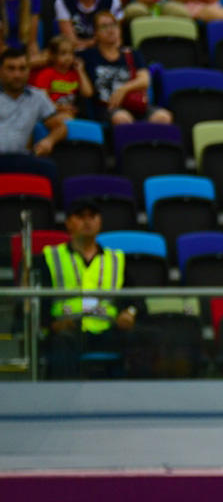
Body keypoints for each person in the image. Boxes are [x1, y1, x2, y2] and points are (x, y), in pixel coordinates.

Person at [34, 198, 140, 379]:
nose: (87, 221)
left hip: (108, 330)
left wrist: (129, 313)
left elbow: (136, 299)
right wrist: (51, 324)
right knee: (61, 342)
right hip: (69, 330)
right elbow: (38, 301)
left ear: (100, 222)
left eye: (92, 216)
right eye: (80, 216)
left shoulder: (115, 259)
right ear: (68, 223)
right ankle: (64, 404)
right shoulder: (50, 257)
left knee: (146, 337)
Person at [81, 10, 173, 126]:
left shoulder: (131, 54)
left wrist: (123, 90)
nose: (111, 30)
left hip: (135, 104)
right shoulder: (88, 56)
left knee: (163, 117)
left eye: (113, 25)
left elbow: (145, 80)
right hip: (107, 107)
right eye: (104, 27)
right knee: (122, 119)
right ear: (95, 33)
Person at [0, 47, 66, 156]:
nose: (17, 75)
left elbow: (60, 127)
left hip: (22, 159)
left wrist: (49, 141)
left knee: (49, 169)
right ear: (1, 70)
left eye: (22, 69)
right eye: (11, 69)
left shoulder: (38, 97)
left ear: (29, 70)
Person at [33, 38, 93, 118]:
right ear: (53, 55)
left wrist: (80, 71)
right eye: (63, 53)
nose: (68, 57)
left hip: (69, 113)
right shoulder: (46, 74)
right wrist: (60, 108)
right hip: (50, 114)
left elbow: (88, 93)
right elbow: (42, 102)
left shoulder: (75, 74)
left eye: (71, 53)